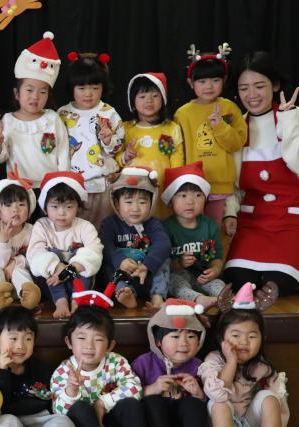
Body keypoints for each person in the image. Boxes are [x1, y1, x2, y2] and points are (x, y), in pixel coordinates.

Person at [51, 288, 147, 427]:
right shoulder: (64, 371)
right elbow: (58, 412)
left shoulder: (116, 362)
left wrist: (102, 403)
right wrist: (71, 389)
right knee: (79, 408)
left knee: (131, 404)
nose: (89, 346)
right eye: (81, 338)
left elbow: (135, 387)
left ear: (110, 345)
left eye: (98, 339)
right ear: (69, 342)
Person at [223, 51, 299, 295]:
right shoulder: (236, 129)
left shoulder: (292, 118)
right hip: (252, 223)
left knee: (278, 282)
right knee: (238, 279)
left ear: (275, 85)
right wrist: (230, 214)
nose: (252, 95)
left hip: (291, 222)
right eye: (244, 88)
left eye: (259, 86)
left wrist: (288, 121)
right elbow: (232, 185)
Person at [199, 282, 289, 427]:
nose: (244, 342)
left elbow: (280, 409)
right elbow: (217, 393)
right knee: (218, 403)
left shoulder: (263, 367)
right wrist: (231, 362)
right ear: (222, 338)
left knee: (269, 397)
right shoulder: (213, 360)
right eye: (235, 335)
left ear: (262, 338)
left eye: (252, 336)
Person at [131, 300, 213, 427]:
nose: (183, 343)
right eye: (175, 336)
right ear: (158, 342)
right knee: (152, 401)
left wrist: (199, 393)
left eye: (191, 336)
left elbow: (212, 404)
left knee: (193, 403)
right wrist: (152, 389)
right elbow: (127, 397)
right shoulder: (143, 363)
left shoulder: (200, 366)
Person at [174, 42, 247, 226]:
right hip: (192, 185)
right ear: (191, 83)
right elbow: (179, 151)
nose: (209, 86)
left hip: (221, 184)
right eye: (202, 81)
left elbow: (237, 142)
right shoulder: (182, 114)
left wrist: (220, 126)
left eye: (215, 80)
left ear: (224, 80)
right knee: (192, 230)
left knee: (217, 230)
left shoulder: (229, 108)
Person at [0, 32, 70, 199]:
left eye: (42, 92)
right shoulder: (8, 120)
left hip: (51, 188)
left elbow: (63, 151)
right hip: (18, 189)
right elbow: (1, 157)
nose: (35, 96)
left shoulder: (52, 119)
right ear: (17, 93)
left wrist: (63, 181)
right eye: (29, 90)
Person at [58, 51, 124, 227]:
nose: (88, 94)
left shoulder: (108, 113)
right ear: (72, 88)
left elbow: (118, 147)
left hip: (104, 183)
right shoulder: (62, 114)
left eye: (95, 88)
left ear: (103, 87)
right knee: (75, 228)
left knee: (104, 228)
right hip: (73, 185)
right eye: (81, 88)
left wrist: (108, 140)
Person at [27, 171, 102, 318]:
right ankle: (61, 302)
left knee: (84, 259)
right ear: (45, 207)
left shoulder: (85, 227)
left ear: (78, 206)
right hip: (52, 283)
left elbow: (94, 253)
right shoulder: (41, 226)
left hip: (79, 281)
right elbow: (34, 254)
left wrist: (70, 269)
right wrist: (56, 267)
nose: (61, 213)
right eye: (55, 207)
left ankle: (76, 301)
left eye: (68, 207)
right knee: (50, 256)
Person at [100, 166, 171, 309]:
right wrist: (120, 261)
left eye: (142, 202)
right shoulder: (110, 224)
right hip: (123, 276)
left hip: (147, 275)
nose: (135, 208)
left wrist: (147, 265)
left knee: (164, 259)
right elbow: (105, 246)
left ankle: (157, 297)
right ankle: (126, 294)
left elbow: (164, 244)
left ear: (151, 203)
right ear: (117, 204)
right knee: (107, 265)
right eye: (128, 202)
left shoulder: (153, 224)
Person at [119, 72, 184, 219]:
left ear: (163, 98)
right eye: (142, 97)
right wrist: (125, 156)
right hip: (133, 188)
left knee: (161, 222)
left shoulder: (171, 128)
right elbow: (116, 158)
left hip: (162, 187)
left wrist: (174, 187)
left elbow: (177, 160)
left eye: (155, 96)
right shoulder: (125, 128)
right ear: (132, 101)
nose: (149, 101)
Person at [162, 162, 225, 308]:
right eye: (183, 196)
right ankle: (199, 299)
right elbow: (162, 265)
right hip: (179, 275)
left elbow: (217, 258)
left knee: (219, 284)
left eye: (198, 195)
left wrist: (214, 270)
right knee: (175, 283)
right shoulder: (166, 227)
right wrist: (179, 263)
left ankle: (226, 300)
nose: (190, 202)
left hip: (203, 277)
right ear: (171, 201)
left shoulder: (210, 226)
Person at [0, 177, 40, 310]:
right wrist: (3, 240)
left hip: (22, 281)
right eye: (8, 205)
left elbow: (36, 258)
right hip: (0, 284)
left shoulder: (33, 230)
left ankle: (29, 301)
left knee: (19, 271)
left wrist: (16, 262)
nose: (15, 209)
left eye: (21, 204)